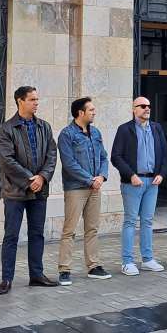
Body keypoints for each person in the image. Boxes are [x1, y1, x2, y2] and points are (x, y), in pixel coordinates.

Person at [0, 86, 58, 295]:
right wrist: (29, 180)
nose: (36, 103)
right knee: (11, 235)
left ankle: (36, 275)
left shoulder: (44, 127)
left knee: (37, 234)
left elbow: (51, 155)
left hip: (39, 190)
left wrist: (42, 177)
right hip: (15, 191)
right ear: (20, 101)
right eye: (32, 99)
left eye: (37, 99)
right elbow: (7, 160)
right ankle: (7, 279)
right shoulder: (7, 128)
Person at [111, 96, 167, 276]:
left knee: (147, 221)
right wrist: (131, 175)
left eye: (149, 106)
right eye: (142, 106)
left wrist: (161, 174)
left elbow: (165, 155)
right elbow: (116, 156)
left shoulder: (157, 128)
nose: (147, 109)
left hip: (153, 182)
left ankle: (147, 259)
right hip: (133, 182)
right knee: (130, 221)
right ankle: (127, 262)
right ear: (134, 109)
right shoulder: (125, 129)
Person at [56, 97, 111, 285]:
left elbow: (104, 157)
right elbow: (69, 163)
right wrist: (89, 180)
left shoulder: (95, 132)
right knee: (69, 230)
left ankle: (94, 266)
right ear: (81, 113)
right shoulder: (67, 134)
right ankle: (64, 269)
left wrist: (102, 177)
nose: (94, 112)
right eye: (91, 110)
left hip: (95, 187)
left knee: (92, 229)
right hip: (76, 189)